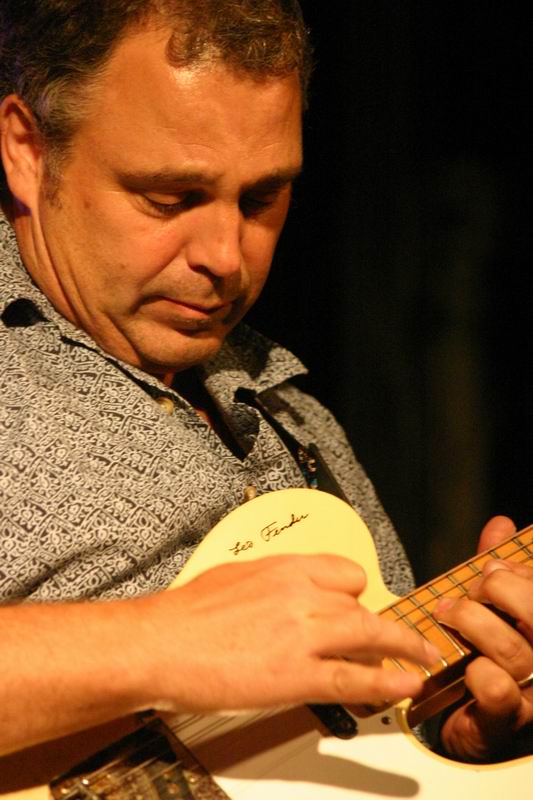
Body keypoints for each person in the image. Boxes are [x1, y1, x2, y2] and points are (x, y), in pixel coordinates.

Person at [0, 0, 531, 770]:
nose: (225, 256)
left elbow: (364, 734)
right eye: (170, 197)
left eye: (260, 199)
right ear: (26, 148)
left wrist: (454, 734)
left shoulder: (294, 416)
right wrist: (163, 643)